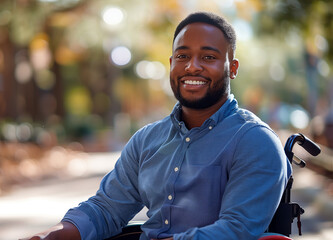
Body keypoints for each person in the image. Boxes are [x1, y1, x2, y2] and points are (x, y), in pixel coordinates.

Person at [22, 11, 291, 240]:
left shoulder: (255, 141)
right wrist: (49, 235)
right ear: (172, 64)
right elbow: (105, 209)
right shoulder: (147, 140)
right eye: (183, 56)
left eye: (208, 57)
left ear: (231, 68)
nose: (192, 67)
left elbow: (236, 231)